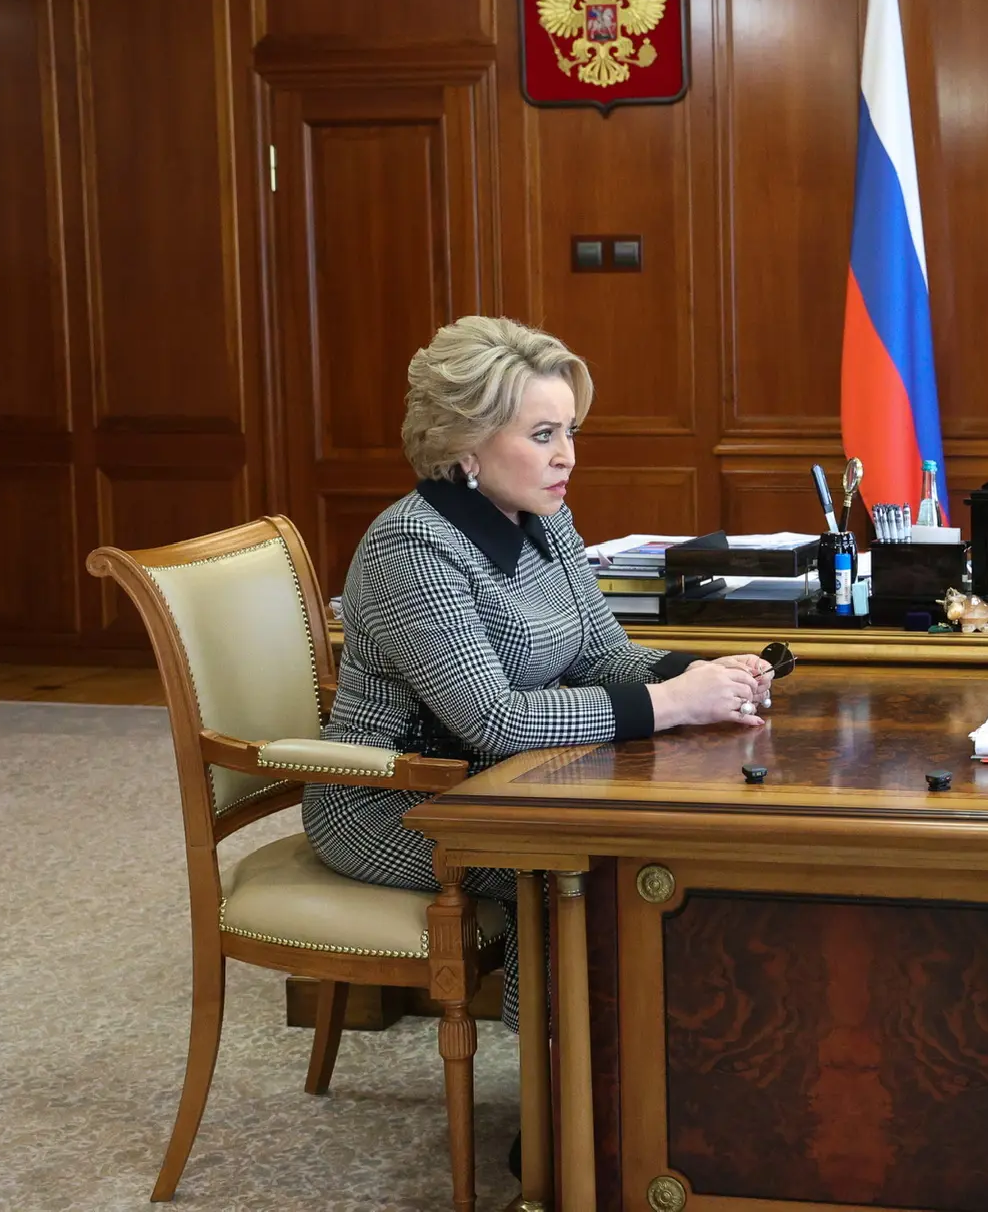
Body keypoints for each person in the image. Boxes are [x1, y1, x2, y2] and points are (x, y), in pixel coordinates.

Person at [303, 316, 773, 1121]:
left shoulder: (544, 517)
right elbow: (494, 720)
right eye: (544, 434)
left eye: (571, 432)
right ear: (466, 446)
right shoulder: (412, 547)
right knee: (575, 869)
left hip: (508, 780)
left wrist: (701, 675)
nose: (568, 458)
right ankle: (563, 1115)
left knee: (656, 848)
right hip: (398, 800)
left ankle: (654, 1085)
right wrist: (670, 704)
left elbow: (602, 651)